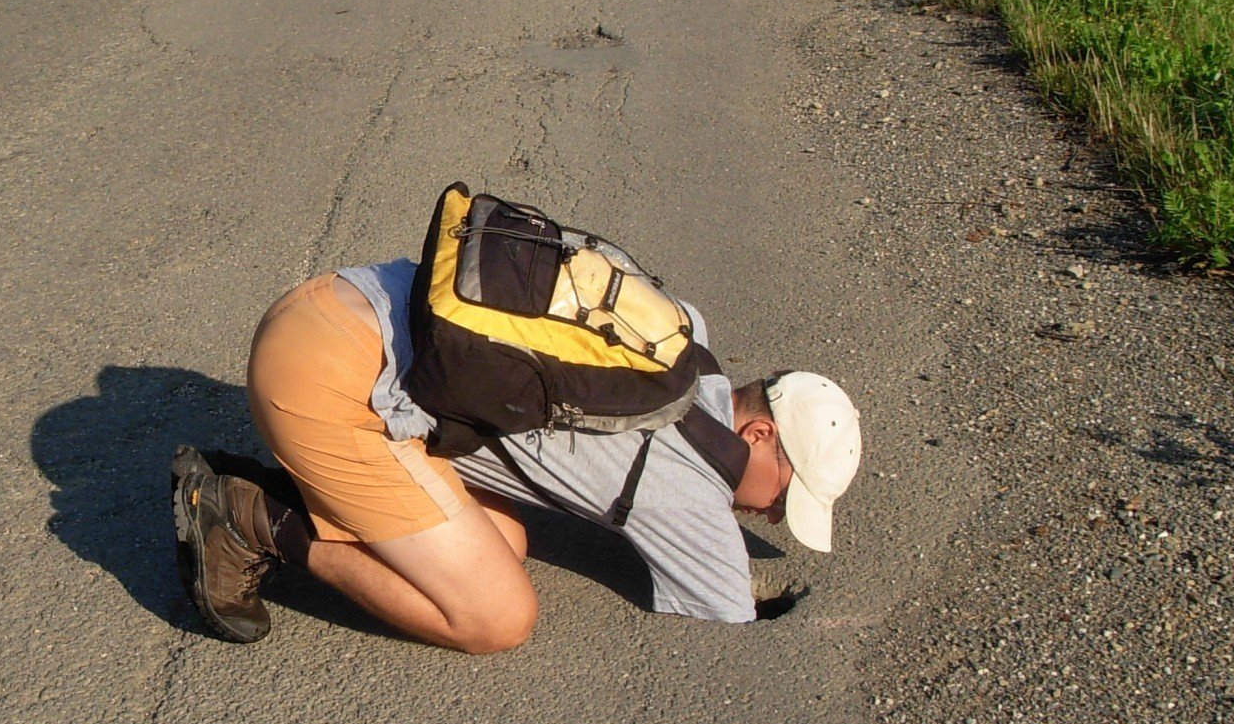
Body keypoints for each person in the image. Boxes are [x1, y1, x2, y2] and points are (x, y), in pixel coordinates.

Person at [173, 255, 862, 652]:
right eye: (783, 496)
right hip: (323, 387)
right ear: (759, 436)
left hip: (330, 302)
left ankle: (306, 489)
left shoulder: (688, 334)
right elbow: (729, 610)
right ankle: (252, 517)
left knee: (503, 537)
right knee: (498, 617)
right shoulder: (692, 496)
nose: (772, 518)